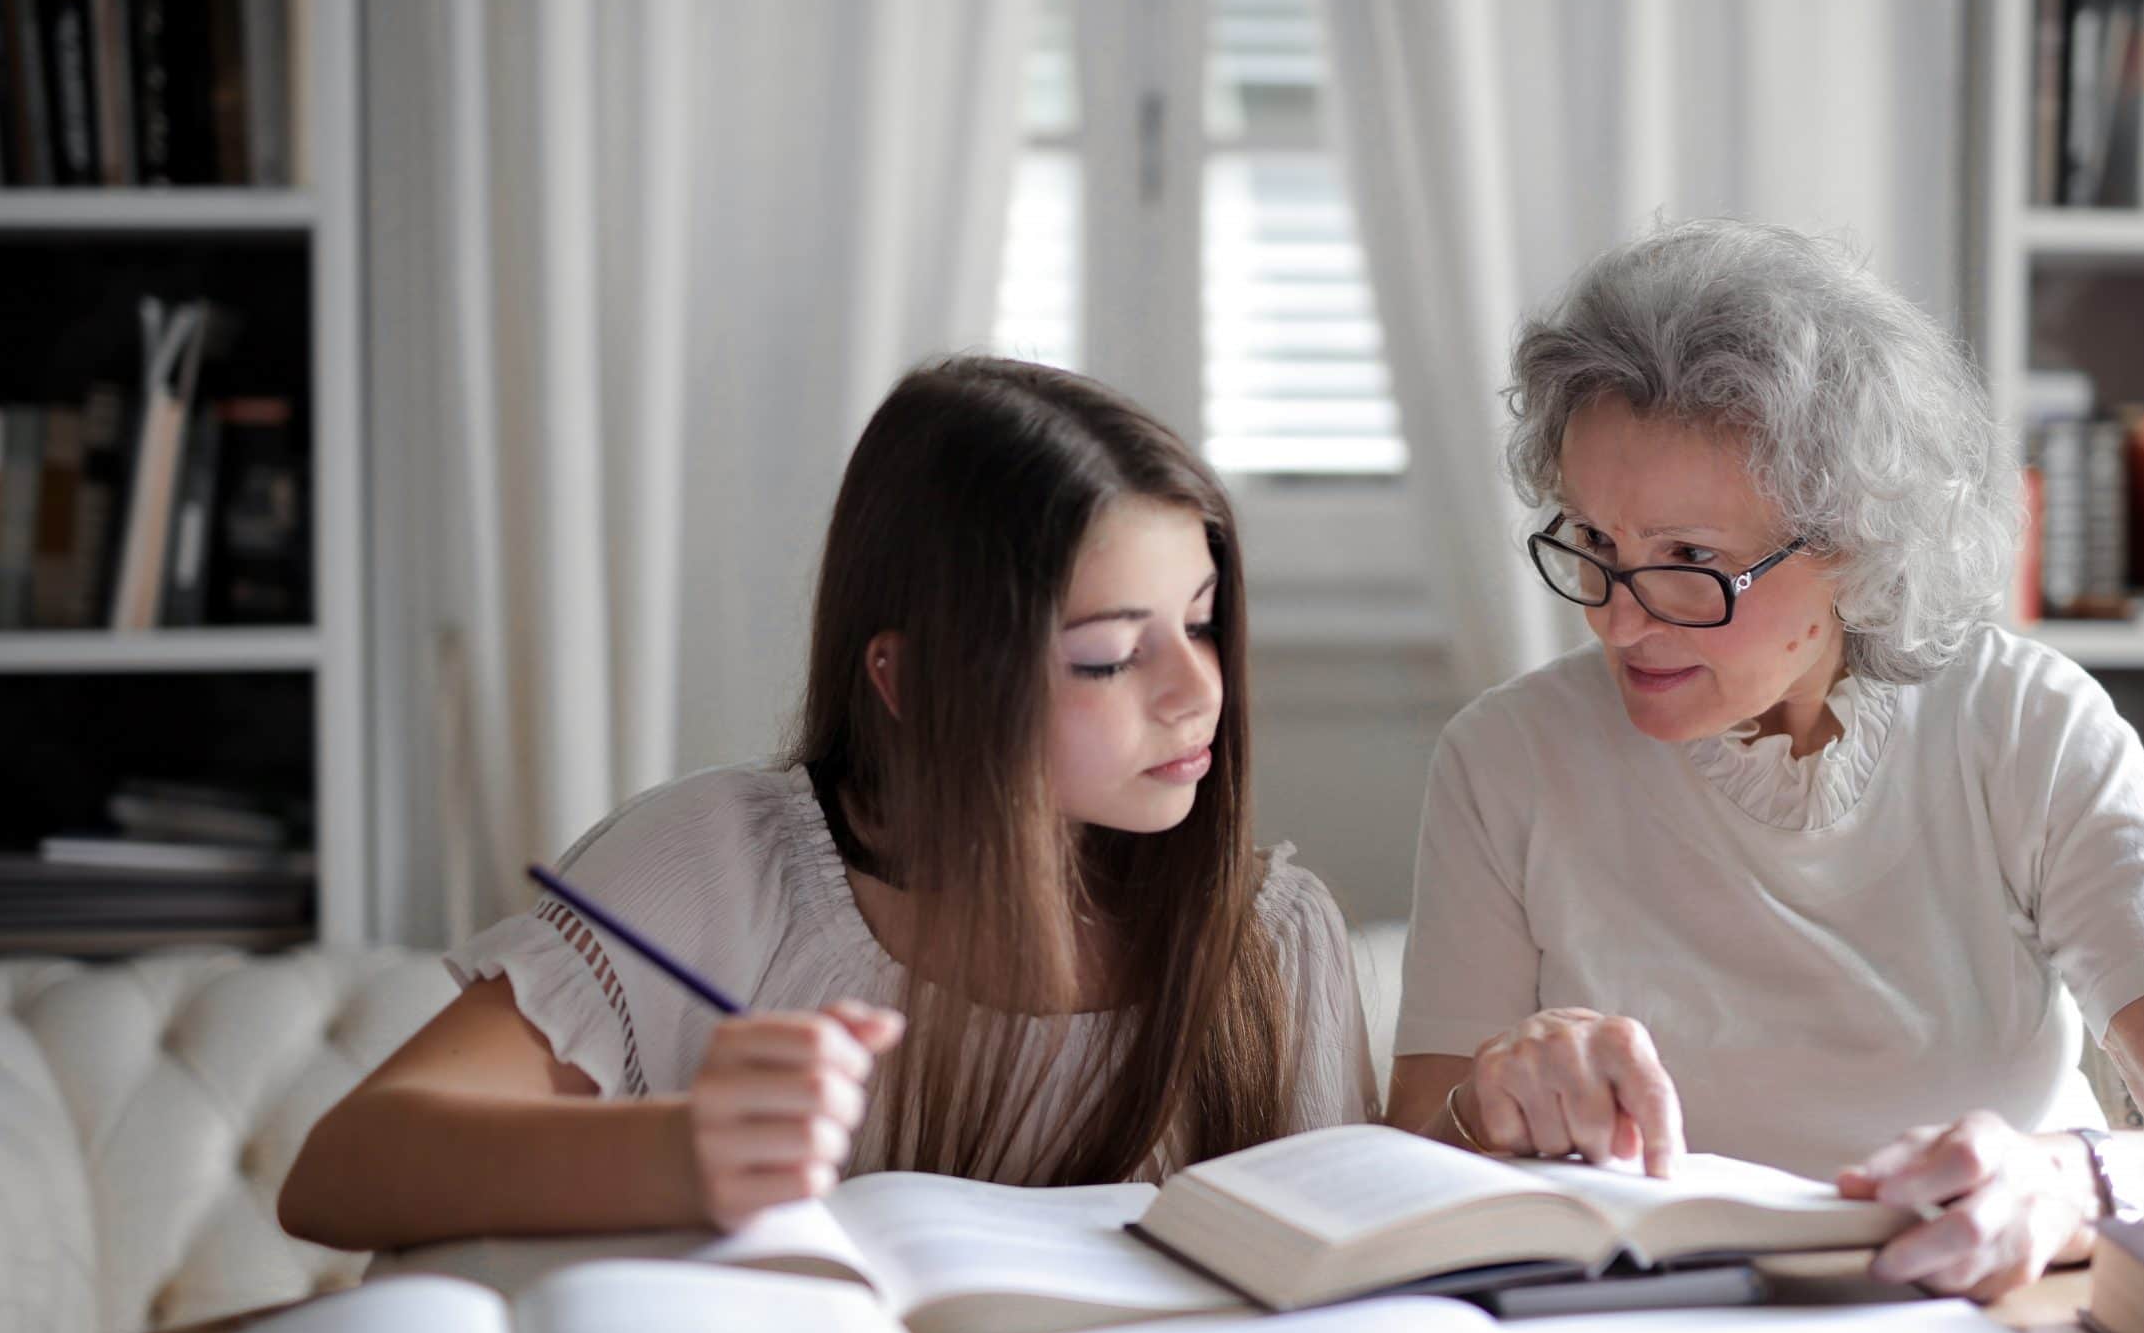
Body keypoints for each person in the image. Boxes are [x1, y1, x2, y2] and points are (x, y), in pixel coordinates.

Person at [1386, 220, 2144, 1300]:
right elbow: (1401, 1171)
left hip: (1991, 1324)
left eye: (1689, 562)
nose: (1616, 621)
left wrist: (2065, 1183)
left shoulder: (2022, 729)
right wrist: (1487, 1105)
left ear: (1853, 545)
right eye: (1595, 545)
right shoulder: (1505, 759)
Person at [281, 357, 1374, 1249]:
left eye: (1200, 619)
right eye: (1107, 656)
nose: (1196, 692)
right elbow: (345, 1171)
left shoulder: (1272, 942)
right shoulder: (719, 868)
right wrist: (678, 1151)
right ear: (911, 681)